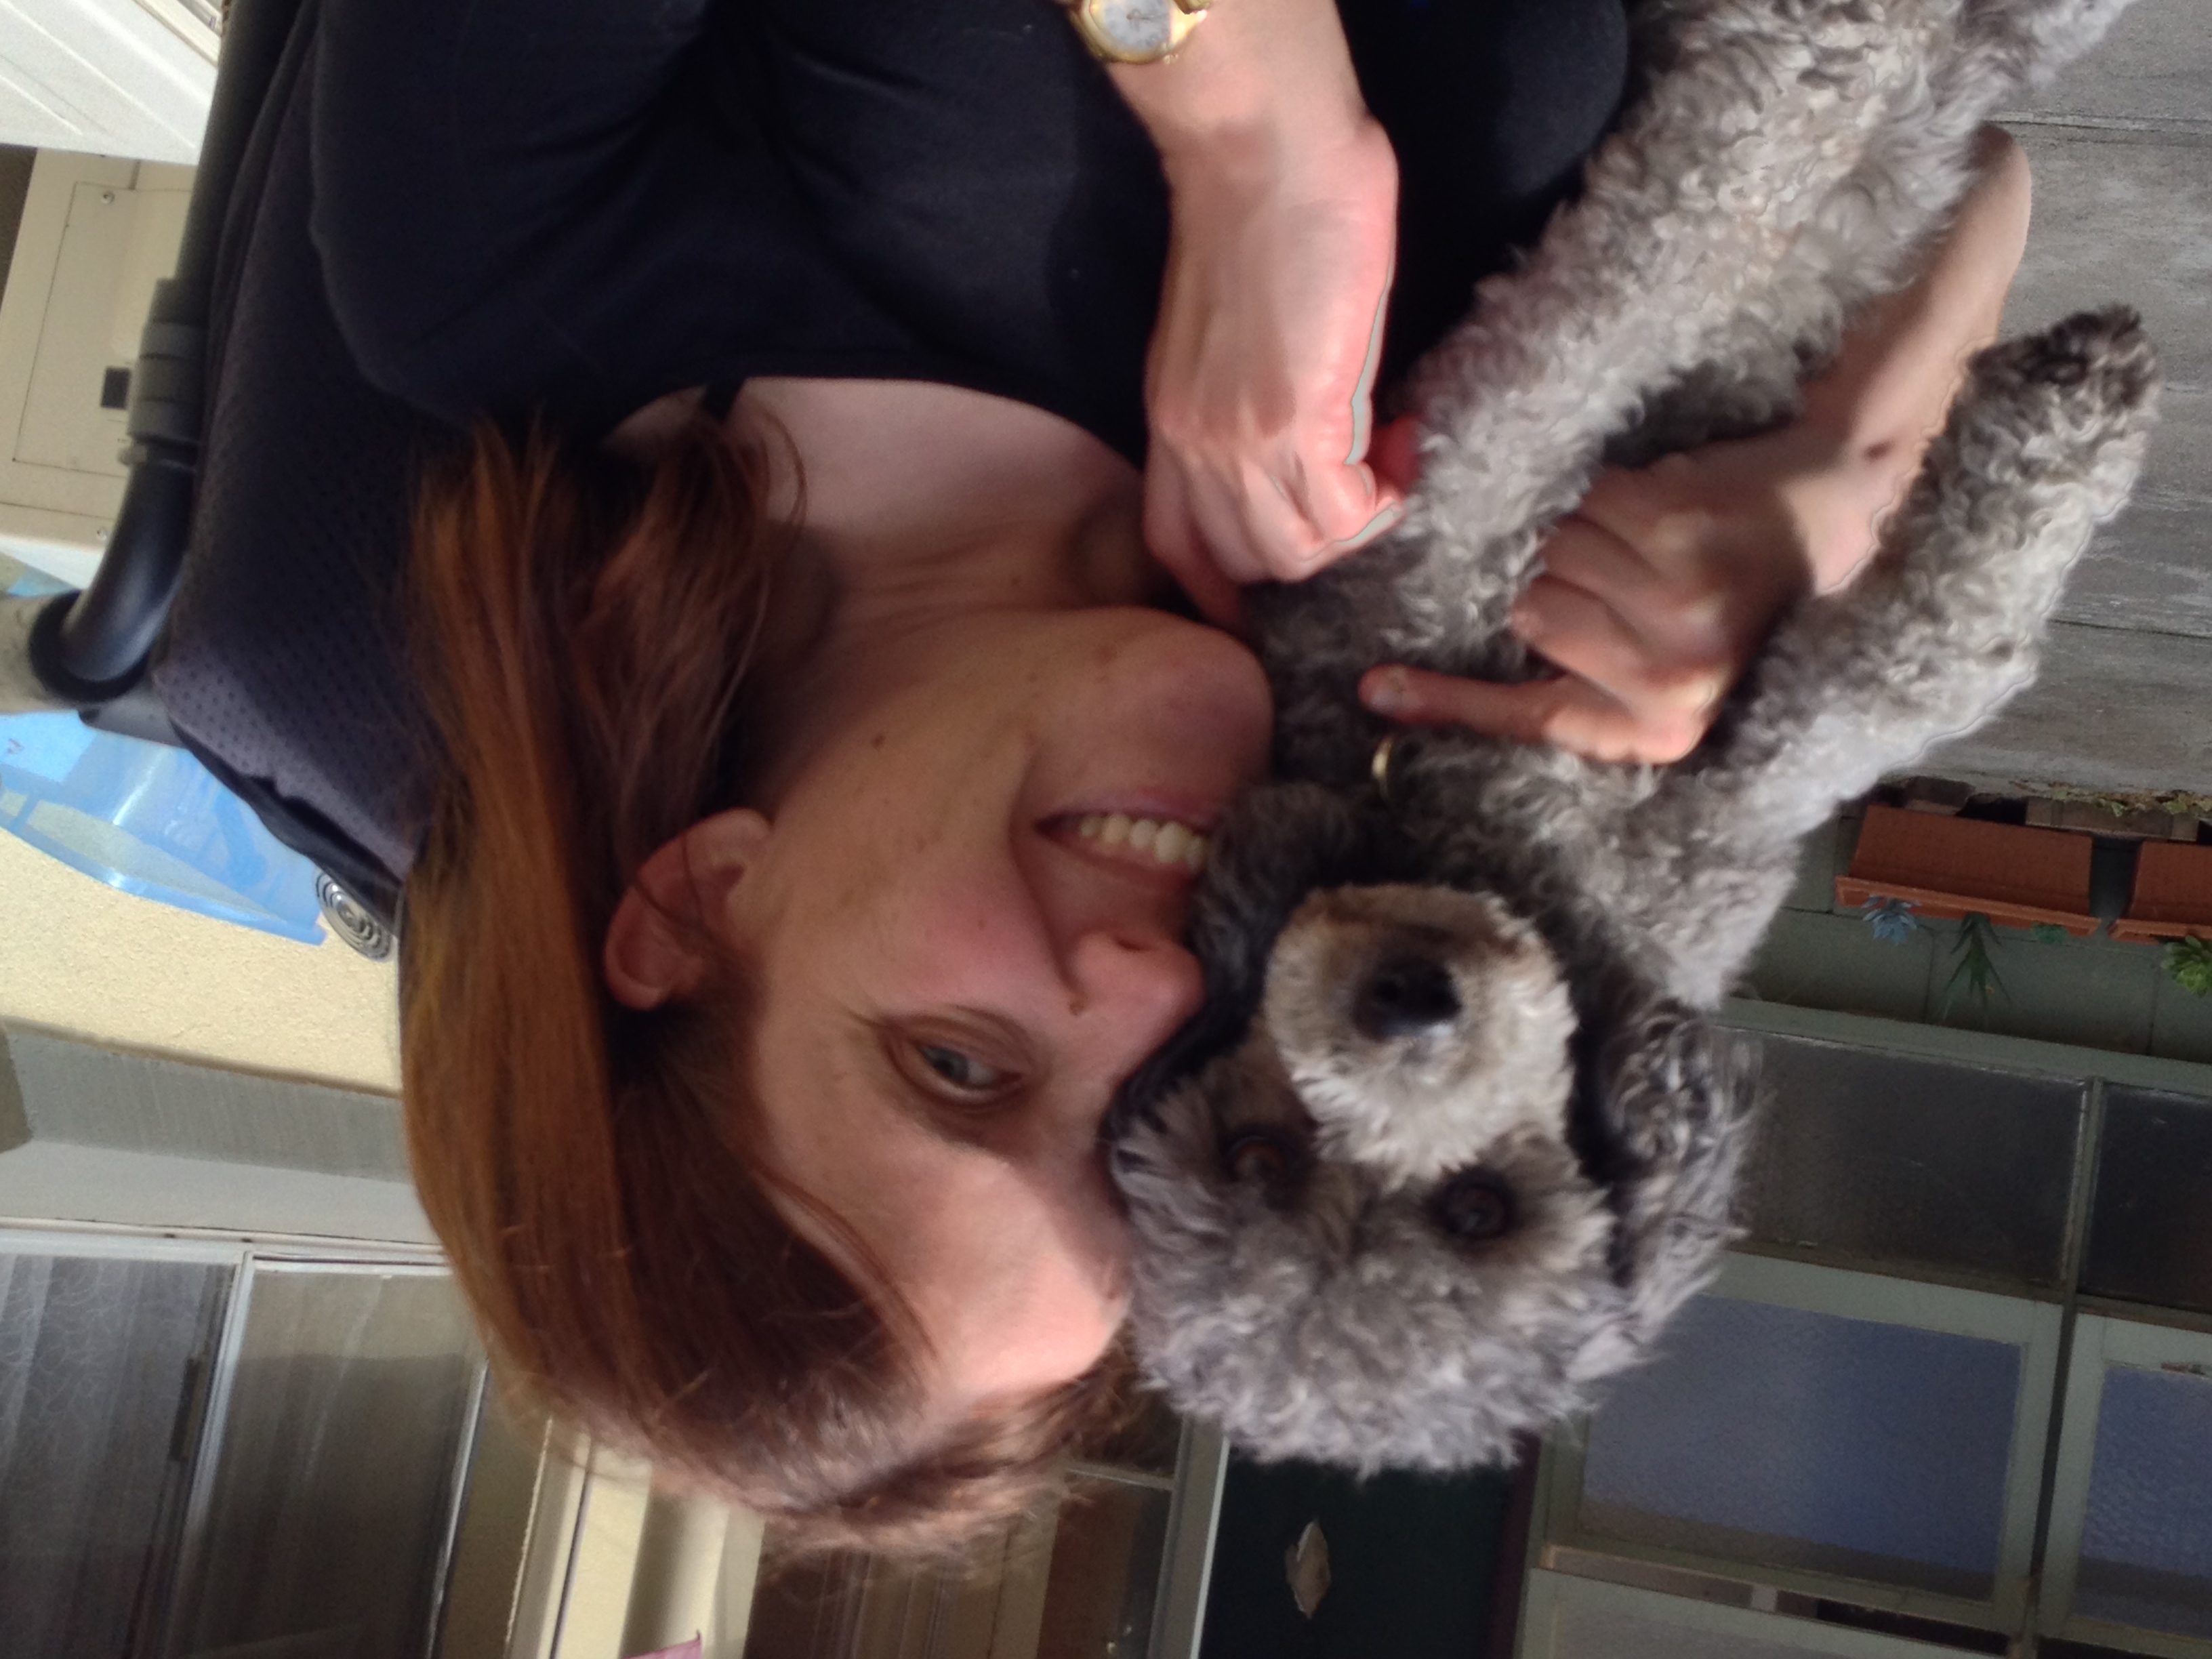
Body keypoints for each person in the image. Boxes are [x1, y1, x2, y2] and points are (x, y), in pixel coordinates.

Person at [319, 0, 2031, 1551]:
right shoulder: (1390, 707)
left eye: (960, 1066)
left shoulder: (505, 268)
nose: (1146, 995)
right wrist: (1815, 493)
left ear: (693, 908)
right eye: (1156, 1135)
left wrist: (1246, 126)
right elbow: (1967, 156)